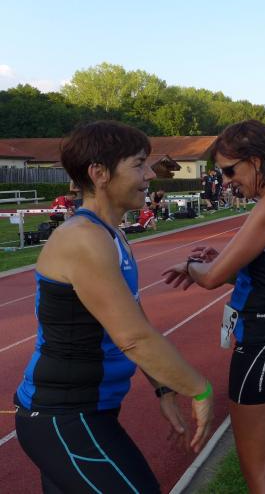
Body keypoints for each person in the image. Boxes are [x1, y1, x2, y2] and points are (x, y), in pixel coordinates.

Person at [14, 121, 214, 493]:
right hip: (65, 415)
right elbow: (133, 337)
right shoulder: (83, 239)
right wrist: (199, 389)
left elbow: (135, 321)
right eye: (139, 164)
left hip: (85, 412)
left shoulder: (111, 235)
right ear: (99, 173)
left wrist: (164, 388)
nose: (150, 174)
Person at [162, 120, 265, 493]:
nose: (226, 181)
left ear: (256, 161)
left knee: (258, 469)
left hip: (262, 340)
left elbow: (212, 278)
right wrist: (224, 262)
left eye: (230, 171)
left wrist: (191, 266)